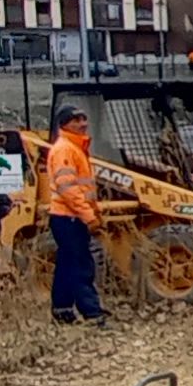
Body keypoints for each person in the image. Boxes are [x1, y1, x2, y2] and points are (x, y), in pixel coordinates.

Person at [46, 107, 108, 325]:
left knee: (67, 264)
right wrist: (88, 215)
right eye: (76, 120)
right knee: (81, 265)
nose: (82, 123)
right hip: (69, 218)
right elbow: (68, 189)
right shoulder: (65, 150)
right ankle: (92, 314)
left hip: (69, 217)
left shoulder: (75, 148)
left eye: (84, 118)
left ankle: (62, 310)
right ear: (64, 125)